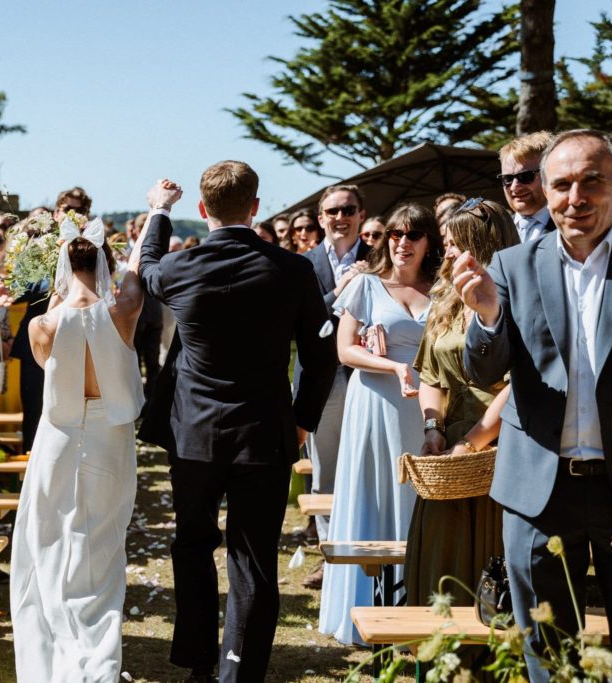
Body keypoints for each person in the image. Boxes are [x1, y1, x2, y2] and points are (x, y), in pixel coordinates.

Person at [456, 129, 612, 682]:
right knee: (548, 656)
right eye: (561, 184)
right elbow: (484, 369)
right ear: (544, 190)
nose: (576, 198)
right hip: (540, 492)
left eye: (592, 182)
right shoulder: (512, 265)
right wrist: (487, 317)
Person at [139, 165, 337, 682]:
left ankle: (199, 665)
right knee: (253, 558)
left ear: (202, 211)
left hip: (194, 434)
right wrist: (302, 421)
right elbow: (321, 357)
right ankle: (239, 672)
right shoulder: (293, 270)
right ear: (255, 207)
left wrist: (158, 211)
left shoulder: (181, 269)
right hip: (265, 431)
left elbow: (147, 264)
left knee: (192, 545)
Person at [11, 214, 144, 681]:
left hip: (59, 441)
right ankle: (96, 664)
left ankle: (56, 655)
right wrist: (151, 223)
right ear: (106, 260)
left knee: (48, 545)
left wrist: (57, 290)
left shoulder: (41, 324)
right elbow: (137, 272)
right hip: (110, 442)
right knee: (103, 549)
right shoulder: (124, 310)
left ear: (60, 265)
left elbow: (50, 361)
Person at [318, 202, 443, 645]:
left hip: (428, 405)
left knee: (415, 500)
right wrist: (388, 365)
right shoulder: (367, 285)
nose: (402, 243)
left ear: (429, 241)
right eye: (394, 234)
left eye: (412, 235)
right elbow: (345, 350)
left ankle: (416, 609)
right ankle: (365, 608)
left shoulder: (441, 290)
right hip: (374, 400)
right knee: (374, 491)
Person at [405, 198, 519, 607]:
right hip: (450, 454)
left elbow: (518, 385)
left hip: (505, 445)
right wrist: (433, 428)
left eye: (456, 244)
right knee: (443, 555)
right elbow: (432, 375)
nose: (446, 252)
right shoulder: (445, 298)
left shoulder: (516, 297)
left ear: (484, 245)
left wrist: (473, 442)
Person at [299, 184, 372, 589]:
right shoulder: (303, 265)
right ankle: (331, 559)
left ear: (361, 214)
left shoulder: (380, 259)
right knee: (325, 471)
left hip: (369, 379)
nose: (339, 217)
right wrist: (338, 292)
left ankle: (368, 554)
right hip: (322, 379)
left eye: (348, 209)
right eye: (331, 211)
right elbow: (303, 322)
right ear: (320, 216)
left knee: (365, 469)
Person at [12, 187, 93, 451]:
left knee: (72, 405)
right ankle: (30, 466)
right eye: (68, 209)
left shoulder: (93, 246)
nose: (73, 215)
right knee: (34, 404)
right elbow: (20, 288)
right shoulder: (37, 245)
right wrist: (55, 288)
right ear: (56, 213)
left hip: (78, 338)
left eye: (79, 210)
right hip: (39, 333)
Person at [499, 131, 555, 243]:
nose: (515, 187)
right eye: (508, 179)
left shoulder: (571, 227)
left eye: (525, 176)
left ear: (550, 173)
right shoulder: (496, 231)